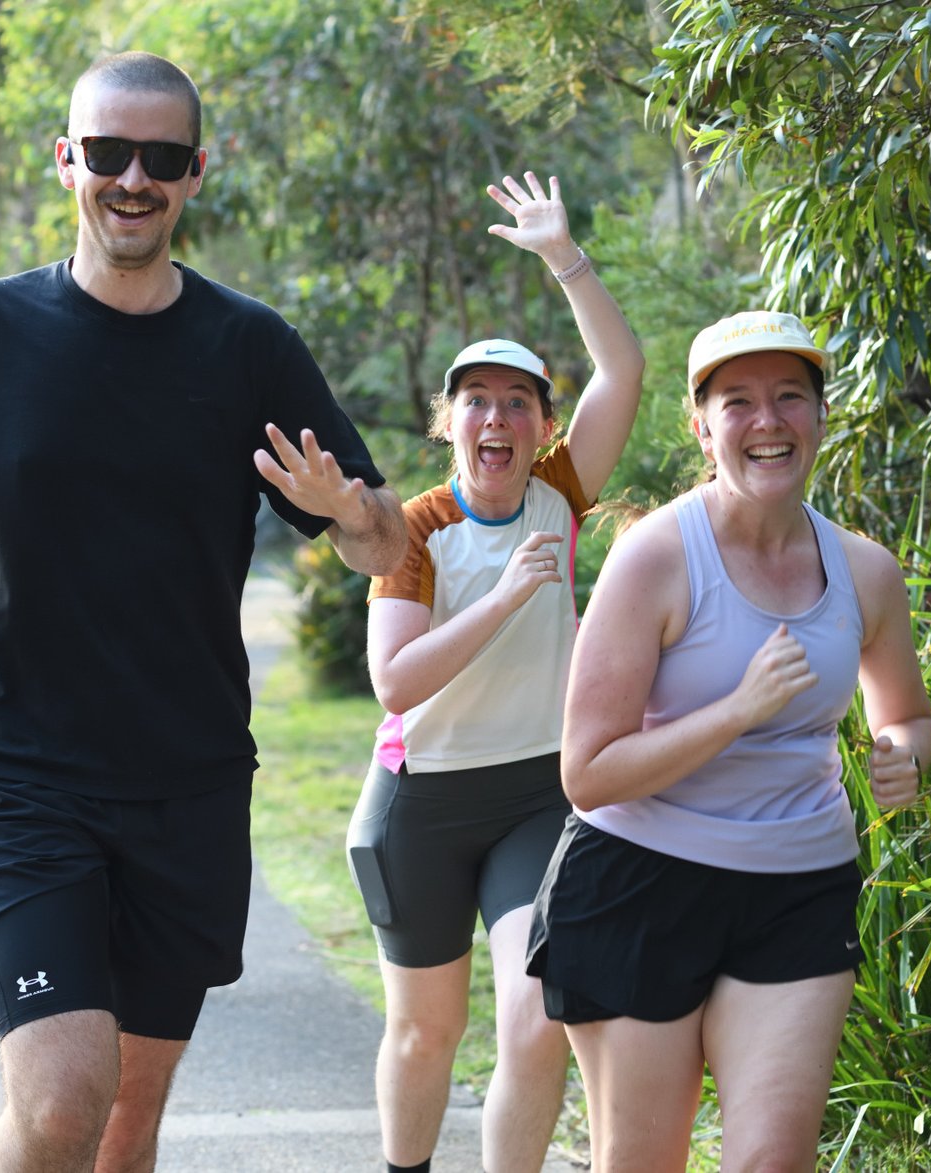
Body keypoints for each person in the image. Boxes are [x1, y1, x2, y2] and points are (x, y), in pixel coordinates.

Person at [0, 50, 406, 1173]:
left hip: (190, 786)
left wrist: (349, 511)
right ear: (65, 159)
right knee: (68, 1094)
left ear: (195, 174)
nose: (133, 178)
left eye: (160, 158)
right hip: (19, 780)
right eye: (108, 152)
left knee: (125, 1123)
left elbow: (386, 547)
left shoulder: (249, 347)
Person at [526, 310, 931, 1171]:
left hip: (797, 887)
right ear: (702, 427)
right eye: (738, 401)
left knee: (770, 1161)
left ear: (821, 418)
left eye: (791, 397)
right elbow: (587, 772)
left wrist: (903, 753)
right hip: (637, 884)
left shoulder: (865, 571)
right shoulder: (656, 558)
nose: (768, 421)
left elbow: (907, 713)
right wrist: (736, 711)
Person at [347, 171, 645, 1173]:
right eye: (476, 401)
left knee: (532, 1024)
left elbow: (625, 372)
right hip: (419, 802)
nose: (497, 419)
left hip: (534, 794)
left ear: (542, 429)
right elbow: (394, 683)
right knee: (426, 1033)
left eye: (519, 403)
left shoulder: (563, 494)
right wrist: (512, 595)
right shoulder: (415, 529)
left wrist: (564, 257)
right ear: (450, 425)